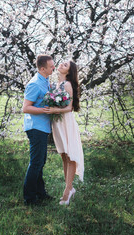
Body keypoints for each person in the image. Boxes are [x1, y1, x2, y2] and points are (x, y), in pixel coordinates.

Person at [44, 60, 84, 205]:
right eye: (61, 63)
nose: (61, 65)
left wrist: (55, 110)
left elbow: (69, 107)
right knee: (63, 155)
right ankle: (70, 187)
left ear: (69, 71)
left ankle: (67, 191)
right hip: (57, 123)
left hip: (66, 122)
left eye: (65, 65)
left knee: (70, 155)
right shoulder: (54, 84)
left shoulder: (67, 84)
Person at [22, 54, 55, 205]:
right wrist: (45, 110)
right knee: (36, 162)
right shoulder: (35, 84)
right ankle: (29, 198)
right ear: (42, 69)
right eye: (51, 66)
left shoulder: (46, 81)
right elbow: (26, 108)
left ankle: (40, 193)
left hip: (43, 127)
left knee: (40, 161)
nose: (54, 68)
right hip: (36, 127)